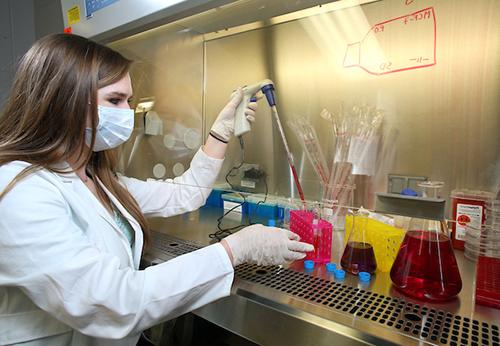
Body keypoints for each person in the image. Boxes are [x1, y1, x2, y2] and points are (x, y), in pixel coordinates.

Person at [0, 33, 313, 345]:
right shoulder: (21, 192)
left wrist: (220, 133)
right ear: (64, 102)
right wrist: (235, 250)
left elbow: (184, 193)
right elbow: (114, 303)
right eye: (114, 100)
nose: (126, 112)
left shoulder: (97, 179)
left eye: (128, 101)